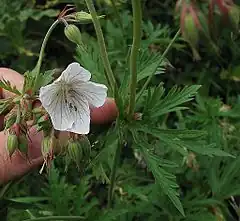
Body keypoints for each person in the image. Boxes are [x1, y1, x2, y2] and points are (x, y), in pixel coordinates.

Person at [0, 68, 118, 184]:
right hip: (51, 97)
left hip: (58, 99)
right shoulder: (48, 93)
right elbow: (53, 112)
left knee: (74, 134)